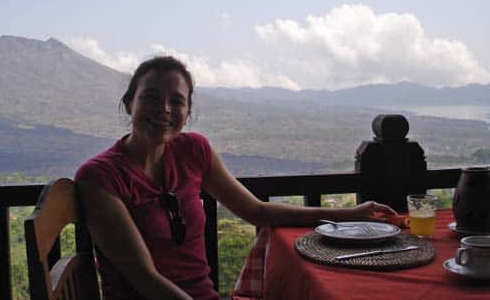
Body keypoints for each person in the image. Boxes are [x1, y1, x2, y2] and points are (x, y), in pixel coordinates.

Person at [75, 56, 397, 300]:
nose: (165, 109)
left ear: (188, 112)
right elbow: (143, 277)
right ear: (129, 103)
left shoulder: (193, 151)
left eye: (177, 101)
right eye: (151, 98)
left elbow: (256, 211)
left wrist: (347, 215)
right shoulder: (100, 177)